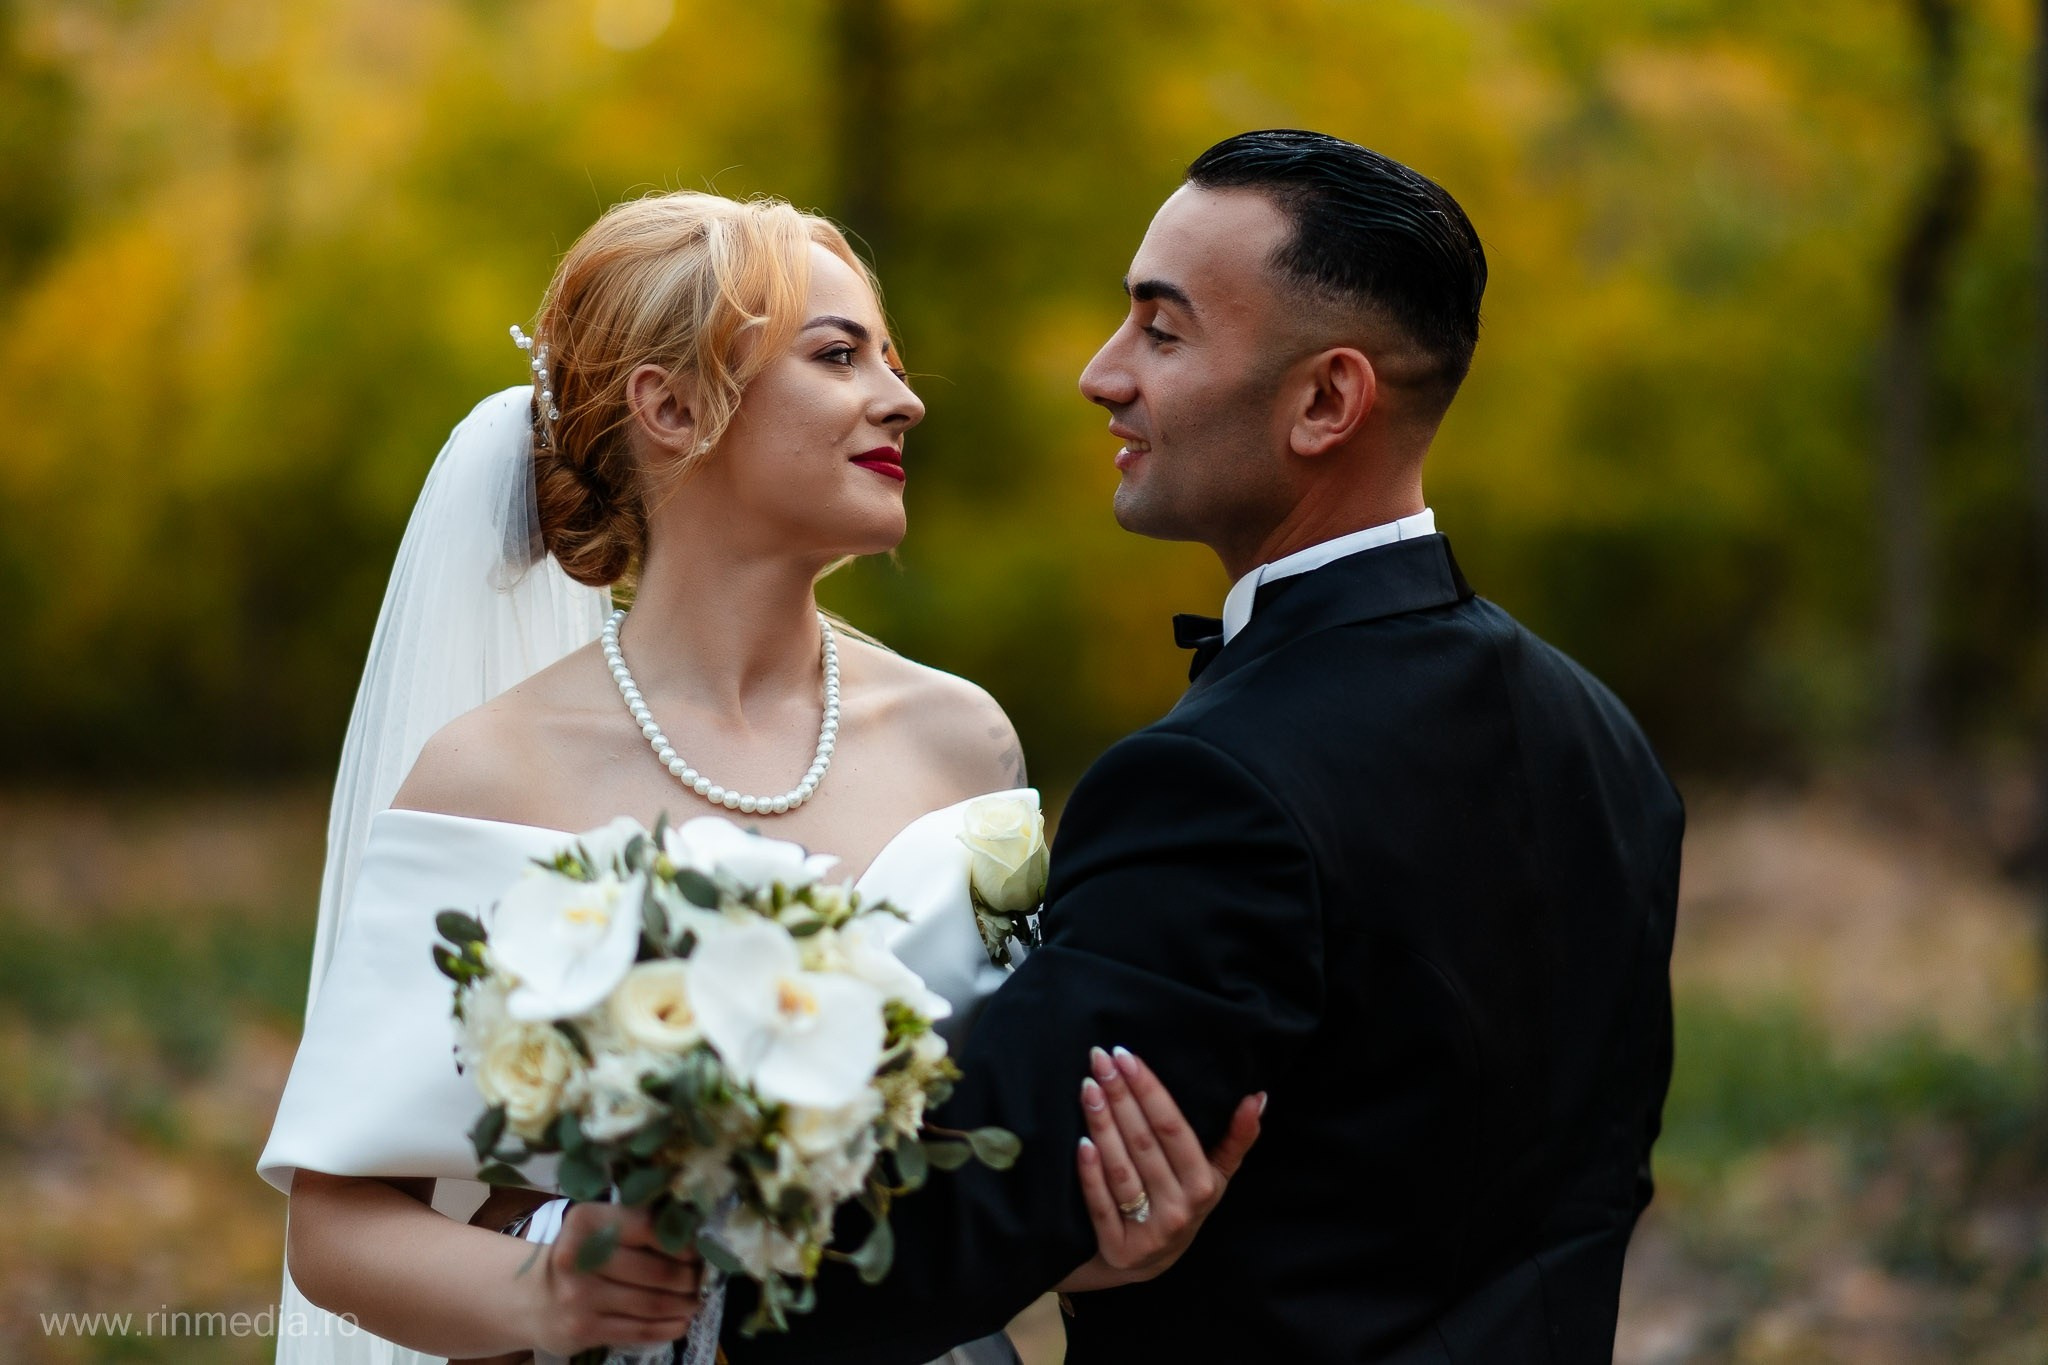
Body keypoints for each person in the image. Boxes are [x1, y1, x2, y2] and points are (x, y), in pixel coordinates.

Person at [720, 130, 1685, 1365]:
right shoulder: (1605, 742)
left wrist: (608, 1282)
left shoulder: (1212, 788)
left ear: (1326, 401)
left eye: (1159, 332)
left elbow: (961, 1223)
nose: (1099, 374)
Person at [257, 191, 1257, 1365]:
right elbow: (336, 1230)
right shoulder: (491, 772)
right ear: (672, 406)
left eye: (889, 358)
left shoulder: (962, 741)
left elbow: (990, 1164)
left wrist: (1102, 1236)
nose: (902, 398)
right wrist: (544, 1293)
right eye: (839, 356)